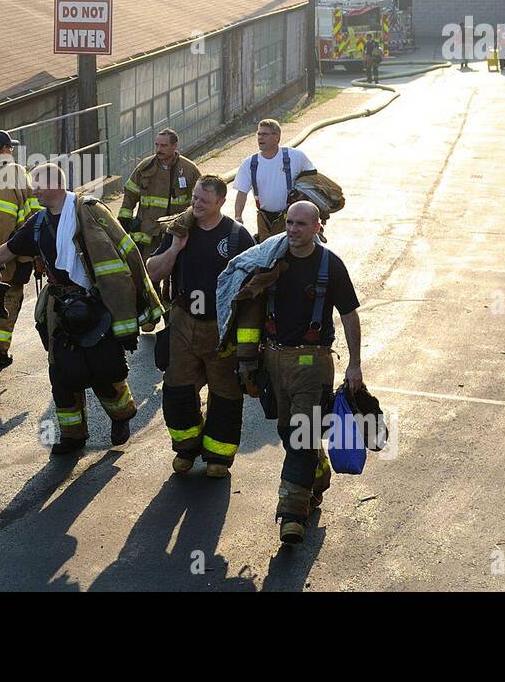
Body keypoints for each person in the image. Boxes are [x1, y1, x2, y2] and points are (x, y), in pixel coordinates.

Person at [0, 163, 162, 455]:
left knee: (104, 371)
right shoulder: (37, 223)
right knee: (61, 374)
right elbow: (10, 249)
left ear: (55, 186)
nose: (33, 189)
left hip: (95, 306)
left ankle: (122, 415)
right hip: (60, 308)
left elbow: (124, 261)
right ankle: (73, 436)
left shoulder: (91, 212)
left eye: (37, 184)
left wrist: (126, 323)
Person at [232, 201, 363, 545]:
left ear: (318, 227)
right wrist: (247, 361)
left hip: (312, 365)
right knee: (292, 433)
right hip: (274, 363)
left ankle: (292, 514)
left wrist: (354, 363)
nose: (292, 229)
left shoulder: (330, 265)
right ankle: (317, 471)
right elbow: (245, 305)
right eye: (289, 223)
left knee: (302, 435)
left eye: (301, 224)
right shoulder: (270, 258)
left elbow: (349, 315)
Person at [145, 176, 254, 477]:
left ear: (220, 201)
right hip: (183, 324)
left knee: (225, 394)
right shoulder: (179, 230)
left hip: (221, 330)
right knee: (177, 388)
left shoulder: (237, 237)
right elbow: (152, 272)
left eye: (203, 201)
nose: (196, 205)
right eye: (194, 198)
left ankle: (218, 456)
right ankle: (186, 448)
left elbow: (254, 287)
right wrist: (175, 248)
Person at [0, 130, 39, 370]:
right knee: (10, 295)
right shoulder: (11, 172)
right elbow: (4, 217)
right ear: (6, 149)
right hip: (11, 250)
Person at [118, 128, 201, 260]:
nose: (158, 149)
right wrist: (124, 220)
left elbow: (200, 198)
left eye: (163, 145)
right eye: (157, 145)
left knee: (177, 271)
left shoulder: (189, 169)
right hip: (148, 233)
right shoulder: (144, 167)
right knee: (149, 272)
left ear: (174, 146)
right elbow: (130, 194)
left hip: (177, 231)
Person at [232, 119, 316, 242]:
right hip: (264, 219)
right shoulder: (250, 163)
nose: (260, 138)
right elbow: (242, 193)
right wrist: (238, 216)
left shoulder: (295, 157)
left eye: (265, 134)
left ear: (277, 137)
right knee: (266, 254)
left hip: (291, 218)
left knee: (293, 251)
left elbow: (313, 179)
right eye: (259, 134)